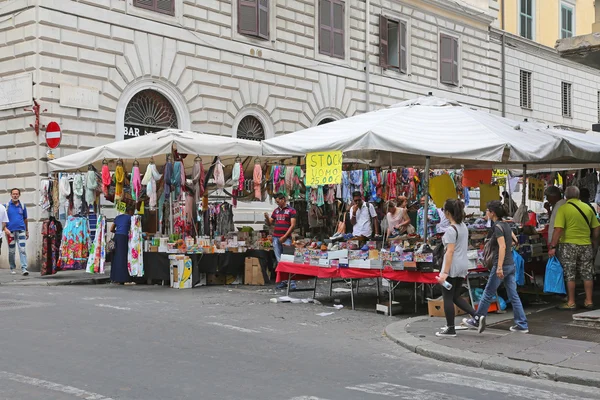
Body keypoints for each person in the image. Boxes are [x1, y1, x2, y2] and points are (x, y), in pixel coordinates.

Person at [464, 200, 529, 334]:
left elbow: (503, 246)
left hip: (502, 265)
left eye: (487, 211)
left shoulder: (497, 227)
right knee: (513, 294)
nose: (486, 213)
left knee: (488, 292)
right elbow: (514, 241)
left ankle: (477, 319)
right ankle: (522, 324)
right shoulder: (505, 225)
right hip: (510, 264)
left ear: (492, 213)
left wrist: (499, 266)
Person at [548, 186, 600, 310]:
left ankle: (571, 302)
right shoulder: (588, 208)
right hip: (586, 244)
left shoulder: (563, 209)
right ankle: (589, 301)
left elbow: (558, 229)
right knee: (587, 273)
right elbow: (597, 227)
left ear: (565, 196)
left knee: (569, 274)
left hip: (568, 245)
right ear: (578, 196)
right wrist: (593, 239)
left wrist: (553, 246)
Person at [436, 199, 478, 337]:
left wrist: (444, 273)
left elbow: (449, 252)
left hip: (452, 266)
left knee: (447, 297)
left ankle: (450, 328)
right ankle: (476, 316)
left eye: (443, 210)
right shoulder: (463, 227)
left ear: (448, 212)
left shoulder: (450, 230)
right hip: (463, 265)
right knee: (455, 296)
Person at [264, 193, 297, 289]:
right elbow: (270, 223)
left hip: (285, 239)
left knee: (288, 260)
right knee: (280, 261)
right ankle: (284, 281)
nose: (277, 203)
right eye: (276, 202)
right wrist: (266, 217)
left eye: (278, 201)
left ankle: (292, 283)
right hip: (276, 238)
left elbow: (292, 225)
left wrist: (285, 236)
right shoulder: (276, 211)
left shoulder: (291, 210)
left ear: (283, 199)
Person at [5, 188, 29, 276]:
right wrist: (5, 229)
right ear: (11, 195)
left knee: (22, 249)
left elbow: (25, 219)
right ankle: (12, 267)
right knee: (11, 251)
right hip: (10, 231)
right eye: (13, 194)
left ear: (19, 195)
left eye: (17, 194)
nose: (15, 195)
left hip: (21, 230)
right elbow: (2, 219)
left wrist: (27, 230)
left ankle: (24, 268)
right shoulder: (6, 206)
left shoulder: (22, 206)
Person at [110, 208, 133, 285]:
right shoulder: (130, 218)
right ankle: (125, 278)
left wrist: (117, 232)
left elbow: (111, 229)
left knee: (116, 257)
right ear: (129, 211)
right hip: (123, 238)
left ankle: (115, 278)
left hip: (116, 237)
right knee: (123, 257)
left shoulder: (117, 217)